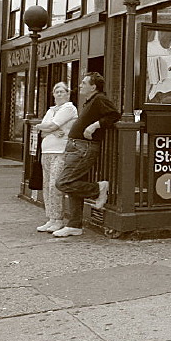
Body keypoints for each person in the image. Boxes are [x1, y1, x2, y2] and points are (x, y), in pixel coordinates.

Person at [53, 73, 120, 238]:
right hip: (76, 147)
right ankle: (74, 225)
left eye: (84, 83)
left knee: (63, 182)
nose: (80, 85)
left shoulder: (100, 99)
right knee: (72, 183)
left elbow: (114, 115)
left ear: (93, 86)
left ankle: (98, 188)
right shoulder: (90, 101)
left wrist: (94, 126)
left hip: (84, 147)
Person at [35, 82, 78, 233]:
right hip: (46, 151)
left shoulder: (69, 108)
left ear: (68, 93)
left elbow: (50, 126)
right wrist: (48, 130)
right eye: (56, 92)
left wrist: (42, 127)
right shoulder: (51, 110)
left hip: (61, 151)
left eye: (62, 91)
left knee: (55, 184)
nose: (59, 94)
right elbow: (44, 132)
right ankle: (51, 218)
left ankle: (58, 219)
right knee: (46, 185)